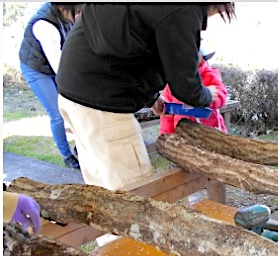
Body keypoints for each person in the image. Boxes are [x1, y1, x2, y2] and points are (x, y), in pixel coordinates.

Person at [56, 3, 236, 191]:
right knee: (137, 193)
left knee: (102, 188)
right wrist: (208, 95)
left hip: (74, 89)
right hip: (100, 100)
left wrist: (151, 98)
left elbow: (132, 45)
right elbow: (185, 84)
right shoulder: (182, 8)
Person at [19, 2, 83, 169]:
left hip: (55, 63)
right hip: (36, 68)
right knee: (57, 113)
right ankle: (67, 155)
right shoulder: (45, 26)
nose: (79, 15)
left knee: (75, 107)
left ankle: (81, 148)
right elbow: (60, 68)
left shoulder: (67, 17)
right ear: (64, 7)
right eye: (76, 11)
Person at [160, 41, 228, 135]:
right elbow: (167, 115)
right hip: (183, 136)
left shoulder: (210, 76)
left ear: (202, 56)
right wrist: (166, 136)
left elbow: (221, 94)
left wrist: (208, 97)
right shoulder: (172, 83)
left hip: (210, 134)